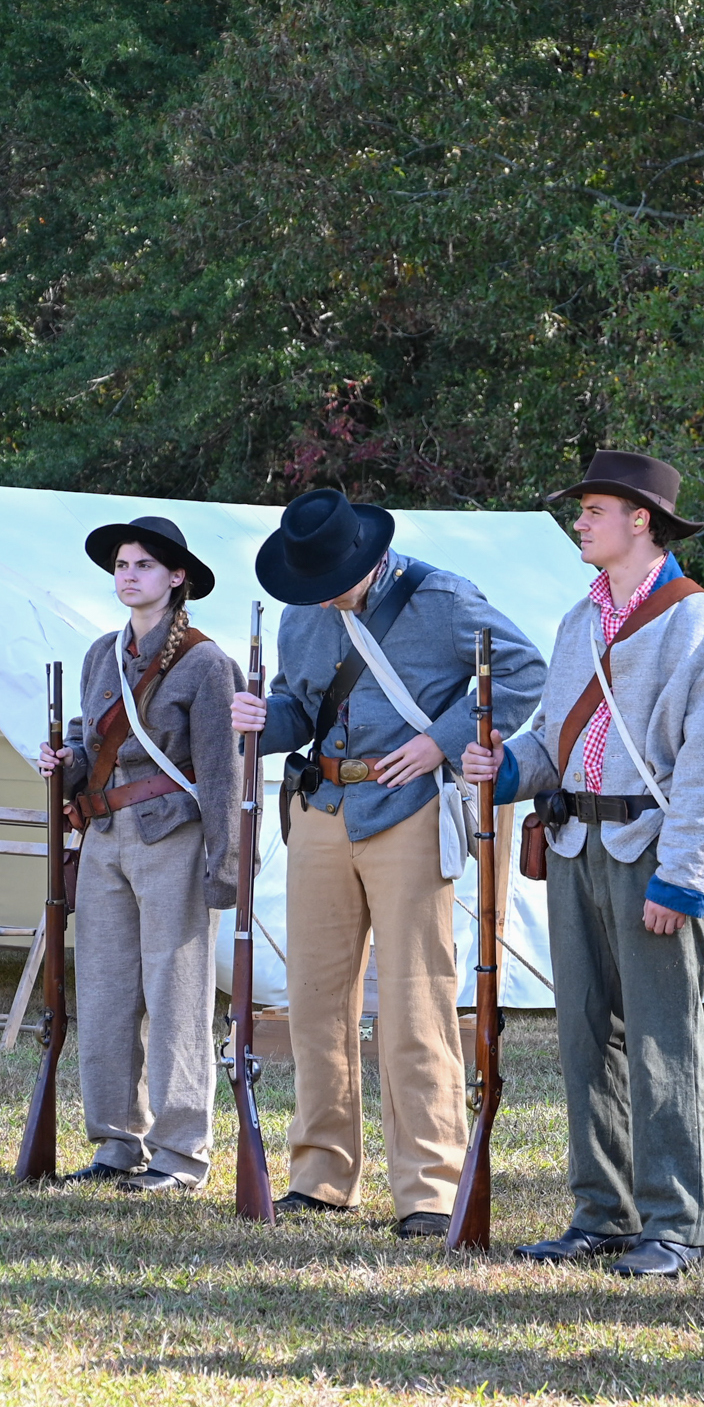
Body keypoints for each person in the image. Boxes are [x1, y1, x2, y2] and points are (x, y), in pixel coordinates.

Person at [463, 450, 704, 1278]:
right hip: (573, 846)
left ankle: (674, 1222)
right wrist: (506, 767)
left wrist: (685, 877)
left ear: (641, 520)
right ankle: (603, 1213)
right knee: (586, 1036)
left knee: (664, 1041)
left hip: (651, 851)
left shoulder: (699, 624)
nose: (579, 522)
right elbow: (556, 738)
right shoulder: (578, 621)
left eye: (593, 510)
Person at [230, 488, 545, 1238]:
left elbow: (524, 670)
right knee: (314, 1000)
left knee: (414, 1000)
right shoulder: (302, 613)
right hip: (321, 808)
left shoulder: (442, 599)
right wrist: (259, 720)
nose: (319, 595)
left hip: (408, 809)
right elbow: (298, 708)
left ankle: (430, 1187)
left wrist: (441, 741)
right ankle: (320, 1175)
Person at [35, 517, 244, 1193]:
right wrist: (64, 762)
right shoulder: (101, 653)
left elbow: (223, 773)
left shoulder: (207, 663)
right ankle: (116, 1141)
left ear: (177, 578)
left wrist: (226, 868)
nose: (128, 575)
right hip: (103, 836)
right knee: (103, 990)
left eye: (144, 565)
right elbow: (86, 742)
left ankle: (180, 1154)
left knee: (176, 994)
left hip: (172, 838)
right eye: (122, 565)